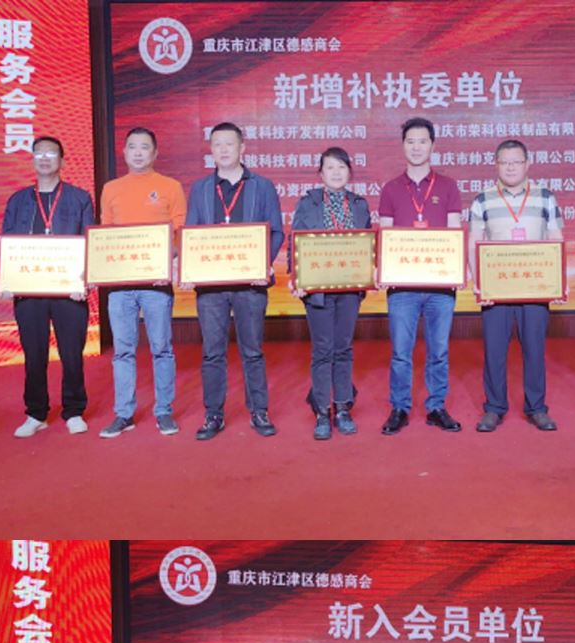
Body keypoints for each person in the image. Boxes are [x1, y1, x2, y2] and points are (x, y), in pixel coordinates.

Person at [186, 122, 283, 442]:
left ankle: (259, 410)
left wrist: (263, 264)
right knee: (212, 352)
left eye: (229, 143)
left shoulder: (262, 186)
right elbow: (191, 234)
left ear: (242, 148)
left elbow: (276, 231)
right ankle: (213, 414)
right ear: (211, 150)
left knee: (252, 350)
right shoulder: (200, 188)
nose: (224, 149)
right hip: (210, 288)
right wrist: (189, 269)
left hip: (250, 285)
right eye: (217, 144)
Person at [467, 138, 563, 433]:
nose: (510, 167)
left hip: (535, 288)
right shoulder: (482, 199)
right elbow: (474, 241)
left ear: (527, 164)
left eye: (516, 162)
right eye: (504, 162)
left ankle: (537, 408)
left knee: (534, 349)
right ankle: (494, 408)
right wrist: (478, 283)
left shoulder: (545, 197)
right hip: (496, 289)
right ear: (496, 165)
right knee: (494, 351)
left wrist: (558, 282)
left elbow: (556, 238)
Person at [377, 116, 464, 434]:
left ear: (432, 145)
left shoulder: (448, 186)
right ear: (403, 146)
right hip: (402, 287)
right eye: (411, 141)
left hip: (440, 286)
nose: (416, 147)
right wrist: (382, 267)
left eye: (422, 141)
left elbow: (454, 231)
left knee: (439, 351)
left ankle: (436, 406)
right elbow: (384, 234)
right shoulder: (390, 189)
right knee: (401, 352)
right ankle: (399, 407)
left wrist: (457, 269)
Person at [98, 125, 185, 438]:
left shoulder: (170, 186)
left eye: (144, 147)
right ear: (123, 152)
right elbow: (105, 235)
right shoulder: (111, 188)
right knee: (123, 351)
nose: (138, 152)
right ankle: (124, 413)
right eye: (132, 147)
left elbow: (179, 233)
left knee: (162, 348)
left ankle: (164, 411)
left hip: (156, 285)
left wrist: (165, 257)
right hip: (120, 286)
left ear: (155, 153)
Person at [4, 137, 94, 437]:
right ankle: (36, 413)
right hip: (30, 291)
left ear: (62, 161)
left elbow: (89, 241)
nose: (44, 158)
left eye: (51, 153)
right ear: (32, 160)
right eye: (39, 153)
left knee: (72, 353)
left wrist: (84, 280)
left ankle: (74, 410)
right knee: (34, 354)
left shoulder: (79, 198)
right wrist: (7, 280)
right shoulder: (18, 200)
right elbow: (8, 244)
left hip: (69, 291)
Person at [290, 146, 372, 439]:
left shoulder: (359, 205)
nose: (336, 173)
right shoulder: (308, 203)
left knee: (344, 348)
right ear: (320, 174)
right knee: (323, 350)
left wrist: (372, 271)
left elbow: (368, 244)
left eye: (341, 167)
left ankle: (343, 408)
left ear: (349, 172)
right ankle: (322, 411)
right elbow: (295, 241)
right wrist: (297, 277)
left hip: (349, 289)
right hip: (318, 289)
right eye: (330, 168)